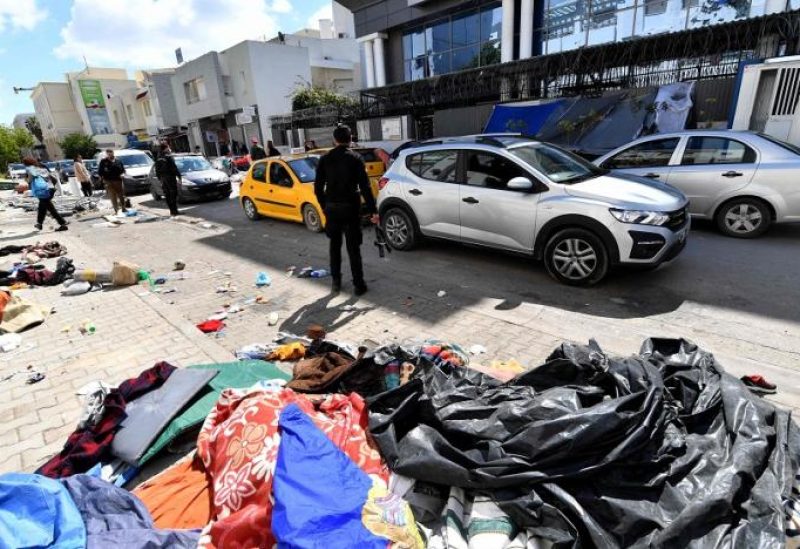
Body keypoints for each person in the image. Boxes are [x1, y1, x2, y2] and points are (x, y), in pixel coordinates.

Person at [314, 125, 378, 296]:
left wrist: (324, 207)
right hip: (350, 209)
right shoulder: (356, 158)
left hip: (332, 210)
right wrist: (373, 211)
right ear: (350, 139)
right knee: (353, 249)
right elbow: (365, 187)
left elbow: (317, 188)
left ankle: (336, 282)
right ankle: (359, 284)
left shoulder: (324, 159)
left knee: (334, 247)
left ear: (335, 140)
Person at [23, 156, 68, 232]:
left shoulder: (30, 169)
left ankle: (62, 223)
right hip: (49, 188)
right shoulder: (40, 167)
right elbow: (50, 176)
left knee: (50, 208)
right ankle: (39, 224)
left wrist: (26, 179)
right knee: (42, 207)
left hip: (43, 190)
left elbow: (30, 179)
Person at [155, 142, 181, 216]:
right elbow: (174, 168)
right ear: (166, 148)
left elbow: (157, 170)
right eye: (168, 147)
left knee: (167, 195)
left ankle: (172, 211)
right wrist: (179, 176)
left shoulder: (158, 158)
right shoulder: (168, 157)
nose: (169, 149)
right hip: (170, 177)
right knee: (173, 193)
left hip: (163, 178)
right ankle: (175, 211)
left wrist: (160, 179)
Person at [98, 149, 127, 214]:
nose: (109, 154)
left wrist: (123, 174)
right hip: (108, 181)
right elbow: (100, 172)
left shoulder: (118, 161)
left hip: (118, 181)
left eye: (111, 153)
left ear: (113, 153)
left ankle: (124, 208)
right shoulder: (103, 161)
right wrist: (102, 181)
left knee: (121, 195)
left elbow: (123, 170)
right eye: (108, 153)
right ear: (106, 154)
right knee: (113, 196)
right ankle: (116, 210)